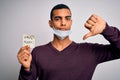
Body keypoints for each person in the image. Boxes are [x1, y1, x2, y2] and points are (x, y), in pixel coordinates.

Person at [17, 4, 120, 80]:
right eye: (57, 19)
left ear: (71, 22)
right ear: (50, 23)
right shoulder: (37, 52)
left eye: (67, 18)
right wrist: (26, 69)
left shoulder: (90, 51)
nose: (63, 23)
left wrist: (106, 30)